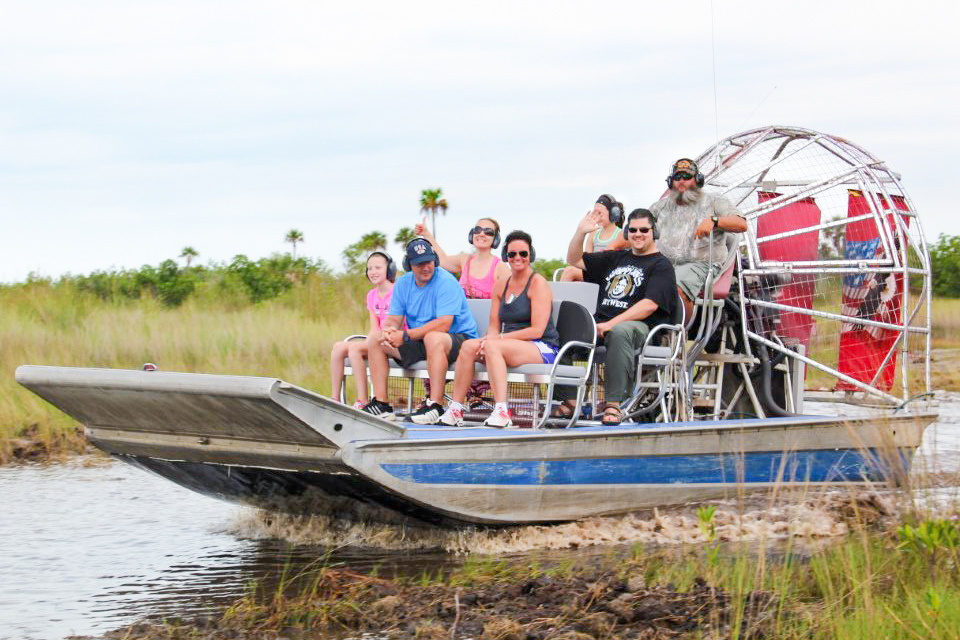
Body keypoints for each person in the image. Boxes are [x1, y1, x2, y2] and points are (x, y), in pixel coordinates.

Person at [558, 208, 677, 424]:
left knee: (620, 331)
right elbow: (574, 260)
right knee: (562, 325)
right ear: (626, 233)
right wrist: (580, 233)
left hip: (639, 328)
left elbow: (649, 305)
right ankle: (569, 402)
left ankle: (613, 405)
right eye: (632, 230)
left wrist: (611, 324)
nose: (638, 234)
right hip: (602, 323)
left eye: (644, 229)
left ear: (654, 232)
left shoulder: (662, 265)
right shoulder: (615, 258)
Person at [432, 231, 560, 428]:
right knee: (468, 346)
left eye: (523, 254)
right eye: (512, 254)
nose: (517, 258)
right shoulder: (501, 285)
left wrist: (497, 340)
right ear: (506, 256)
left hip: (541, 346)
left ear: (530, 255)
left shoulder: (538, 284)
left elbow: (537, 330)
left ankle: (501, 411)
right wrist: (488, 339)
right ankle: (456, 408)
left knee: (493, 347)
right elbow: (493, 325)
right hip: (507, 343)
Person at [362, 238, 479, 421]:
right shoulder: (403, 283)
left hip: (459, 339)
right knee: (376, 338)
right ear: (409, 265)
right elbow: (394, 318)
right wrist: (388, 330)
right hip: (422, 339)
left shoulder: (446, 282)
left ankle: (435, 406)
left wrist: (406, 335)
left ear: (435, 261)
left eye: (428, 262)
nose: (426, 267)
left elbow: (444, 324)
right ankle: (382, 404)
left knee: (434, 337)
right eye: (419, 264)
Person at [644, 158, 747, 322]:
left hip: (700, 264)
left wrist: (715, 221)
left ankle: (677, 338)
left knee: (675, 288)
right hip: (663, 263)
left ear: (698, 180)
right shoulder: (660, 206)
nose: (682, 181)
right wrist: (612, 247)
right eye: (677, 177)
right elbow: (637, 227)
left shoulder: (714, 201)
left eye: (686, 176)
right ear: (671, 182)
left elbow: (741, 224)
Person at [329, 252, 396, 408]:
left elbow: (394, 324)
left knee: (354, 348)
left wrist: (371, 343)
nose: (373, 272)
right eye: (370, 268)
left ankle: (363, 400)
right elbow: (374, 328)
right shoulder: (372, 295)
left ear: (390, 269)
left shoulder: (397, 292)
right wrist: (370, 342)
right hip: (376, 339)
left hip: (391, 340)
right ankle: (334, 399)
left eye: (378, 267)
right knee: (338, 348)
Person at [415, 217, 511, 298]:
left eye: (488, 232)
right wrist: (426, 234)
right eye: (477, 230)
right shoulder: (464, 260)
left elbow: (511, 297)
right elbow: (442, 260)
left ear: (496, 239)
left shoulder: (500, 267)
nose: (481, 234)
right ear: (472, 234)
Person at [558, 195, 625, 282]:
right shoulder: (593, 234)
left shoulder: (621, 234)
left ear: (613, 214)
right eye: (595, 212)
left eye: (600, 213)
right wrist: (581, 231)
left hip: (611, 272)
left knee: (570, 271)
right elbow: (587, 259)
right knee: (572, 273)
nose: (597, 216)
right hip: (594, 270)